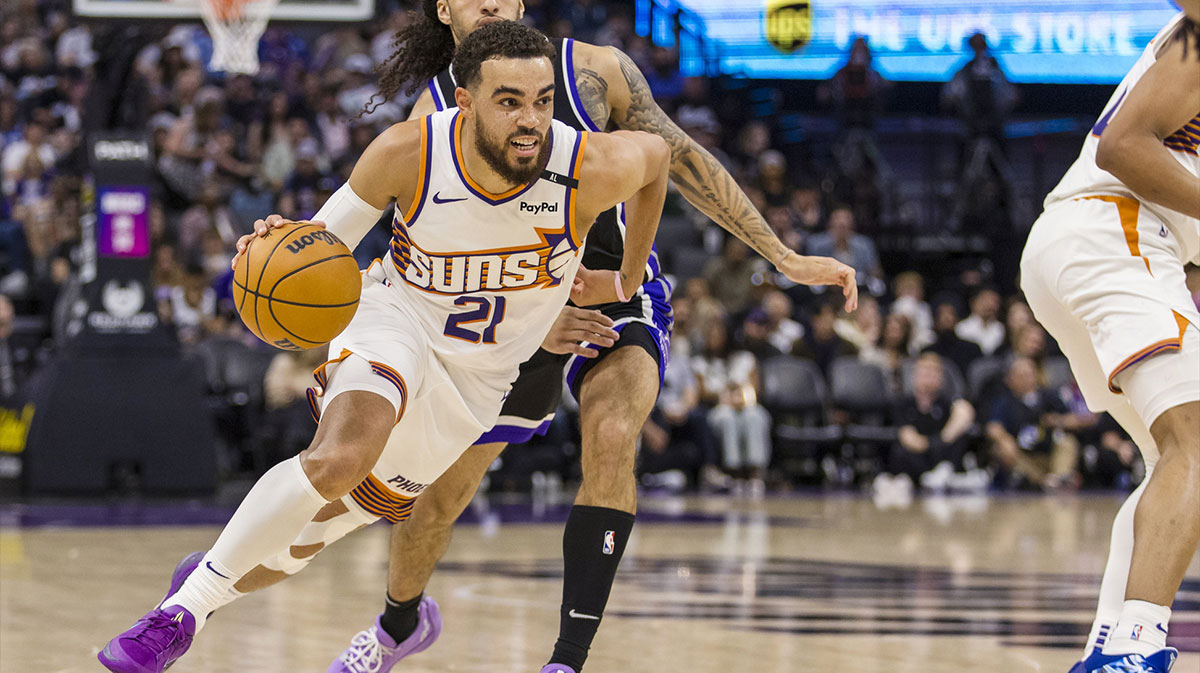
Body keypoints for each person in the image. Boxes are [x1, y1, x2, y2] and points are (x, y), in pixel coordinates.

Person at [98, 21, 673, 673]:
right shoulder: (407, 152)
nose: (530, 119)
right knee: (340, 456)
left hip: (472, 384)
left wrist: (627, 273)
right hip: (396, 316)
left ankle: (224, 570)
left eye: (542, 101)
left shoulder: (587, 165)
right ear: (465, 102)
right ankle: (181, 614)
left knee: (309, 537)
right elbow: (322, 241)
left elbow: (657, 162)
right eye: (508, 100)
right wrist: (276, 248)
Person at [318, 3, 858, 673]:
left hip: (609, 295)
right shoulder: (423, 126)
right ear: (444, 10)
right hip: (501, 320)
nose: (490, 1)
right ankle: (398, 625)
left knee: (610, 435)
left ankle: (566, 661)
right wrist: (535, 319)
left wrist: (781, 255)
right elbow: (428, 272)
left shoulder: (594, 73)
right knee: (439, 498)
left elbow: (679, 161)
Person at [1019, 8, 1200, 672]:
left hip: (1092, 244)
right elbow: (1121, 146)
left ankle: (1110, 646)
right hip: (1113, 231)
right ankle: (1134, 647)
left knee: (1173, 458)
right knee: (1195, 443)